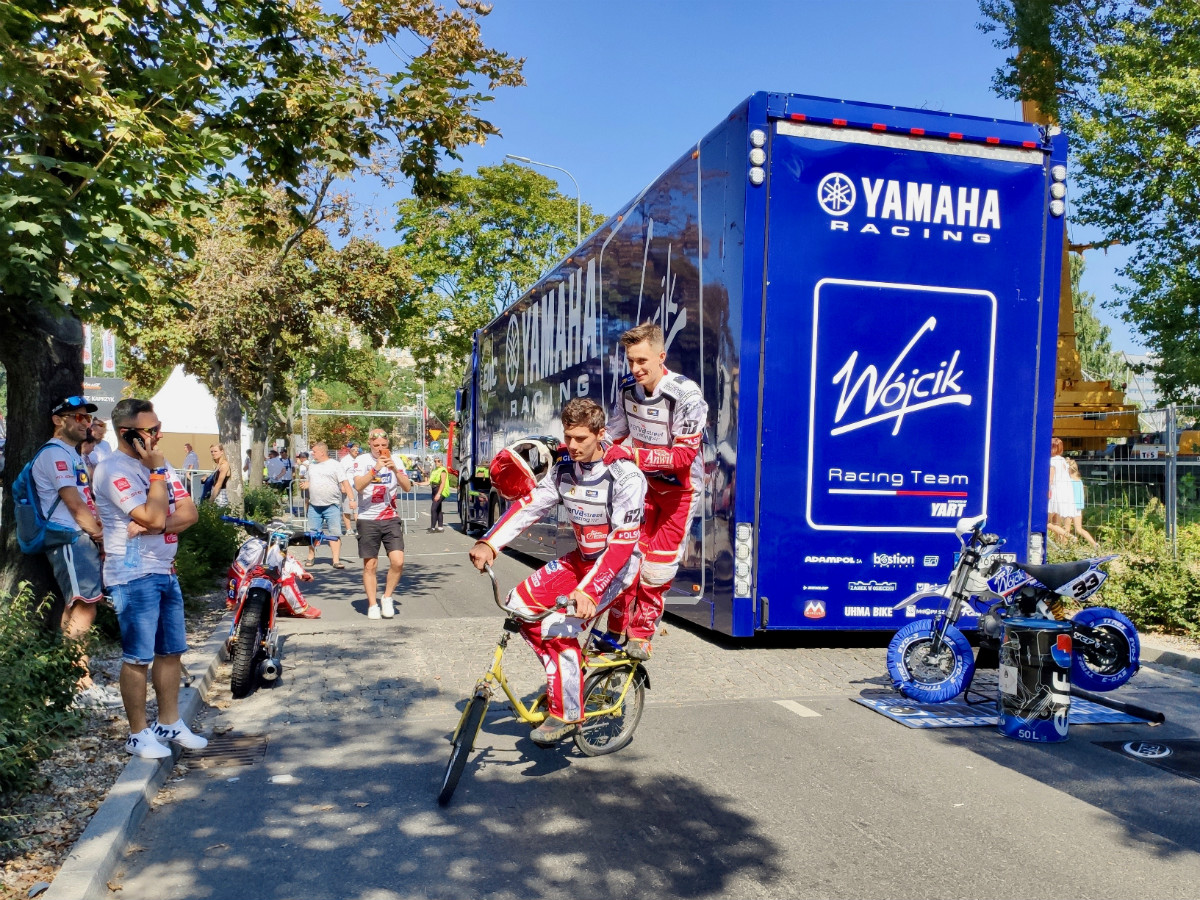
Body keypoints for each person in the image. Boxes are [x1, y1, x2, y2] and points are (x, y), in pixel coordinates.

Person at [469, 399, 647, 744]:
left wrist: (590, 591)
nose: (573, 445)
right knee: (518, 605)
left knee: (556, 627)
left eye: (581, 438)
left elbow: (622, 545)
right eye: (568, 437)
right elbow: (530, 506)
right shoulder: (564, 469)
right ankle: (567, 672)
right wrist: (490, 543)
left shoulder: (626, 476)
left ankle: (566, 712)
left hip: (617, 569)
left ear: (601, 433)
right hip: (581, 559)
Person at [93, 397, 207, 759]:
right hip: (132, 573)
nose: (159, 435)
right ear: (129, 434)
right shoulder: (112, 470)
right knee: (138, 657)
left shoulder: (161, 463)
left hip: (164, 569)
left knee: (171, 651)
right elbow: (155, 517)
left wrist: (152, 526)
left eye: (158, 427)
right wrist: (156, 480)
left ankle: (169, 722)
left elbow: (189, 514)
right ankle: (138, 733)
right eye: (152, 430)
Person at [604, 322, 708, 660]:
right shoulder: (627, 388)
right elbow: (614, 434)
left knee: (656, 569)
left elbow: (682, 457)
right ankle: (614, 631)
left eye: (642, 361)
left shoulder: (686, 394)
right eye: (630, 361)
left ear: (661, 357)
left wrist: (633, 455)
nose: (635, 369)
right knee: (626, 560)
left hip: (680, 492)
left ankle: (641, 636)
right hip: (645, 487)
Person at [33, 396, 119, 709]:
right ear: (59, 420)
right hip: (70, 538)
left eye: (88, 418)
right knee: (84, 606)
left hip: (78, 536)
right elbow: (72, 502)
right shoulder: (54, 453)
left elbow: (84, 497)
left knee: (80, 606)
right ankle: (79, 682)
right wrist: (98, 534)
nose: (86, 423)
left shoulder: (70, 453)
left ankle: (72, 679)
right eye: (78, 417)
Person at [347, 429, 413, 620]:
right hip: (368, 518)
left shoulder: (396, 460)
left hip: (390, 517)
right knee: (370, 565)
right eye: (376, 445)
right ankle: (373, 604)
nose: (380, 449)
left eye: (383, 445)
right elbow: (359, 486)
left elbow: (407, 487)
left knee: (398, 561)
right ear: (370, 444)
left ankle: (387, 597)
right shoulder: (362, 461)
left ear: (388, 445)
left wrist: (395, 470)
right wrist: (375, 469)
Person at [303, 442, 349, 569]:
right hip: (314, 505)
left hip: (331, 505)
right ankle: (311, 556)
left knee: (334, 533)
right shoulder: (312, 466)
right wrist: (307, 484)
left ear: (322, 452)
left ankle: (336, 560)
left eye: (314, 451)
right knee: (312, 533)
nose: (312, 454)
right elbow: (310, 481)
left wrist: (350, 498)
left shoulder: (335, 464)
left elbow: (344, 481)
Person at [1047, 437, 1075, 543]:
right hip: (1064, 493)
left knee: (1043, 522)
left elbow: (1050, 479)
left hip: (1054, 493)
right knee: (1056, 522)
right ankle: (1059, 544)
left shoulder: (1052, 461)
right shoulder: (1063, 461)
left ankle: (1068, 536)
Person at [1066, 458, 1099, 547]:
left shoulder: (1068, 481)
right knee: (1079, 529)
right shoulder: (1079, 481)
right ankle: (1094, 544)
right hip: (1078, 507)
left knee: (1066, 530)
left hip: (1069, 506)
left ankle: (1064, 547)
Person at [340, 441, 362, 535]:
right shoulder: (345, 460)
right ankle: (349, 529)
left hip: (358, 487)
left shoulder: (360, 459)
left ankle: (359, 529)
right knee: (347, 509)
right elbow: (340, 474)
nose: (356, 451)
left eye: (358, 450)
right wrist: (342, 486)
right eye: (354, 450)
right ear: (349, 450)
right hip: (348, 487)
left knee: (358, 509)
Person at [428, 459, 451, 532]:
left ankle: (432, 528)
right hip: (434, 490)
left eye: (438, 461)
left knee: (433, 509)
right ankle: (440, 527)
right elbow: (429, 482)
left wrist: (438, 494)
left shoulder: (443, 470)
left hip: (441, 491)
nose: (436, 462)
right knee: (438, 509)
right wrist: (417, 483)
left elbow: (443, 483)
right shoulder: (434, 470)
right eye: (435, 461)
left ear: (442, 462)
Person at [295, 451, 310, 516]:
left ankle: (305, 511)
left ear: (302, 458)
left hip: (305, 482)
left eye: (299, 457)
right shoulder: (309, 463)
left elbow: (301, 475)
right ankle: (308, 511)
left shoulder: (303, 465)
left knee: (305, 497)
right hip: (310, 482)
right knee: (308, 497)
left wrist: (299, 480)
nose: (298, 459)